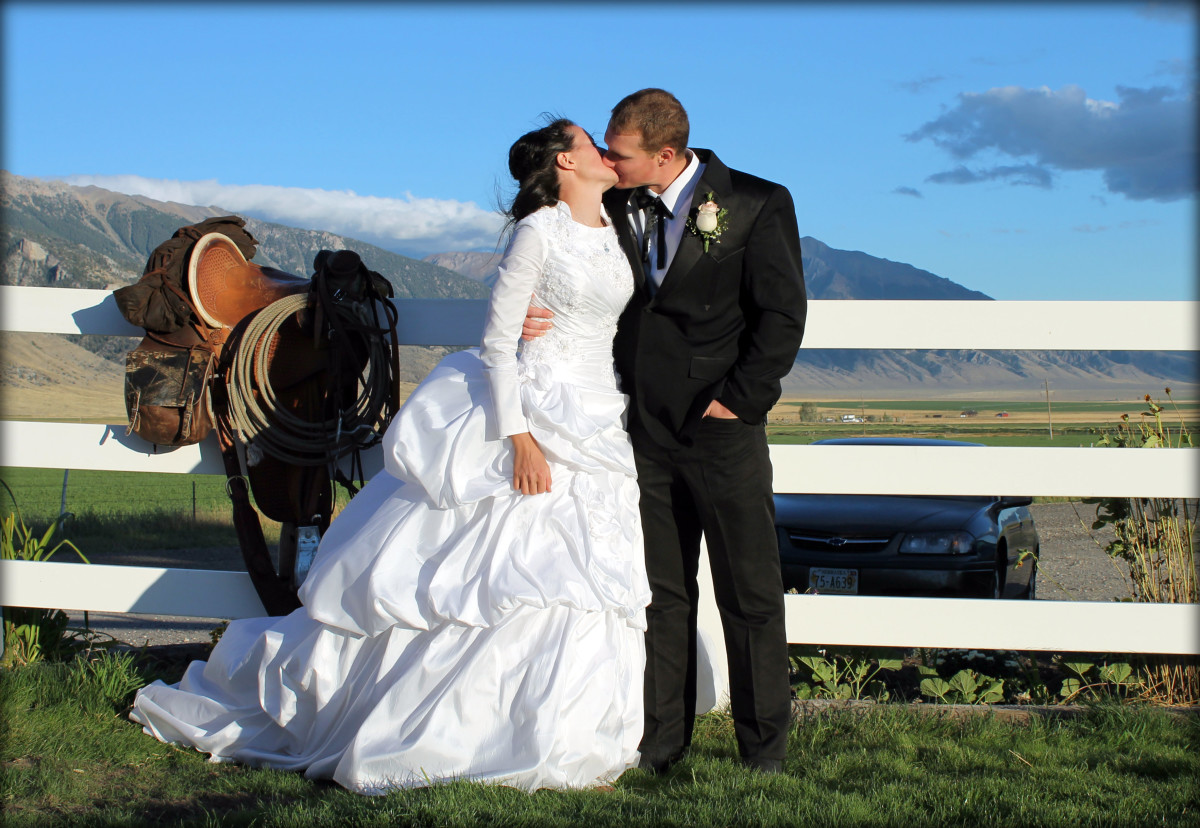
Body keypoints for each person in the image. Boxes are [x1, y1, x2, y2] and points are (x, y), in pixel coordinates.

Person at [129, 118, 651, 793]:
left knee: (578, 584)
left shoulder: (614, 228)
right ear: (563, 164)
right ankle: (457, 728)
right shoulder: (538, 231)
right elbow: (498, 342)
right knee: (502, 579)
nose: (604, 151)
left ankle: (570, 735)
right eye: (588, 143)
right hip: (535, 412)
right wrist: (520, 437)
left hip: (596, 417)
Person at [524, 89, 806, 775]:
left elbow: (781, 316)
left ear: (667, 155)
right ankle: (659, 747)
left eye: (618, 155)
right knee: (661, 594)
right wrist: (536, 305)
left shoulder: (755, 203)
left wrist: (737, 403)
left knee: (749, 594)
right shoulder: (615, 200)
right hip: (638, 432)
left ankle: (762, 750)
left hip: (720, 431)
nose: (608, 163)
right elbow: (567, 257)